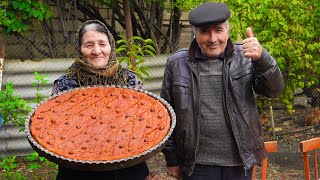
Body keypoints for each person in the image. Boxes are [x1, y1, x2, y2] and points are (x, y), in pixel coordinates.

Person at [160, 2, 284, 180]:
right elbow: (166, 114)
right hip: (196, 165)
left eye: (218, 30)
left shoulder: (246, 57)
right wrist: (172, 160)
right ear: (195, 34)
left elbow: (275, 91)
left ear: (228, 31)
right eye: (204, 31)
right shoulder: (177, 63)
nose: (212, 39)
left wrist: (263, 58)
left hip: (238, 163)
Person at [52, 20, 149, 180]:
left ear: (110, 45)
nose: (97, 51)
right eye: (89, 45)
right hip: (79, 169)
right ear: (79, 49)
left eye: (102, 44)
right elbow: (56, 129)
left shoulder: (129, 80)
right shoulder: (65, 84)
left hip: (126, 166)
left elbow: (143, 122)